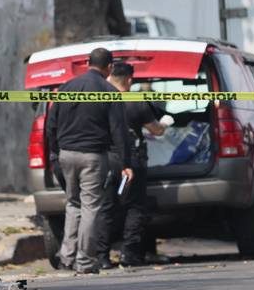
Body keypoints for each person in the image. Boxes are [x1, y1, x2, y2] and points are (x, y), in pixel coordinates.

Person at [46, 48, 133, 274]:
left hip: (66, 155)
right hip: (93, 156)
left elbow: (50, 124)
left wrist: (55, 152)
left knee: (73, 204)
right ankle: (84, 261)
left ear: (87, 63)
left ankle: (66, 259)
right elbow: (119, 131)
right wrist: (125, 163)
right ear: (110, 67)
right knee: (90, 206)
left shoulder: (67, 87)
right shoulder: (108, 91)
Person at [97, 63, 173, 268]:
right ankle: (128, 255)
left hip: (105, 159)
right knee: (135, 206)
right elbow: (156, 130)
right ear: (130, 80)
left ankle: (102, 257)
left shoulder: (100, 99)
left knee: (106, 207)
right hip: (132, 159)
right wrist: (166, 122)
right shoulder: (135, 102)